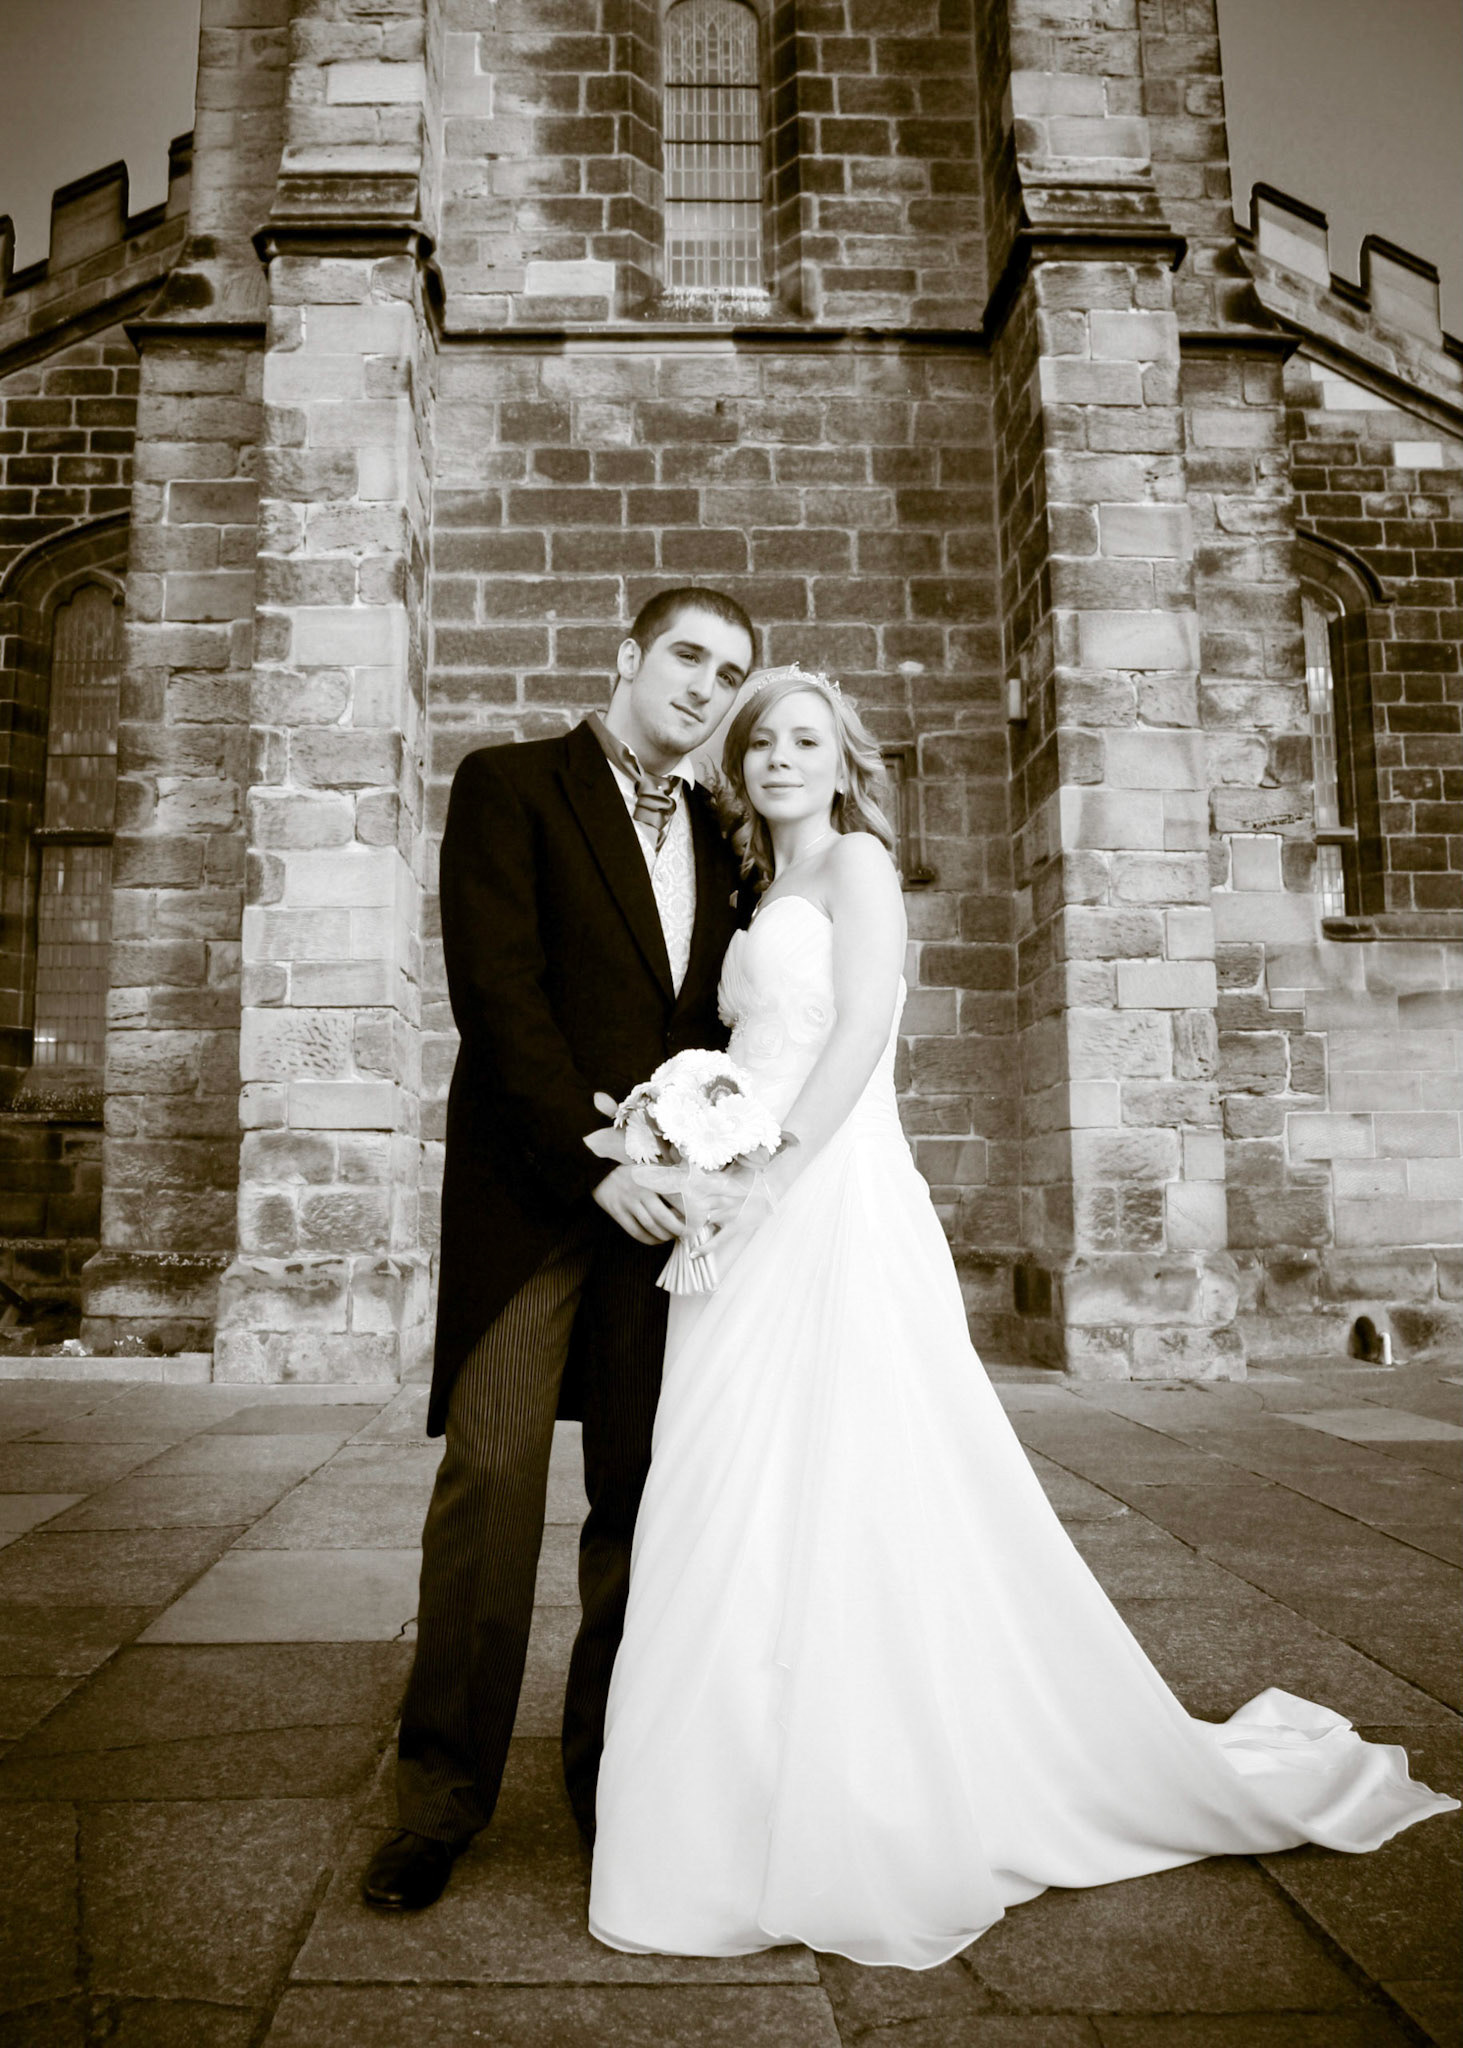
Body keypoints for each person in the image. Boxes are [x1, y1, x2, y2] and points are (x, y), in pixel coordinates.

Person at [587, 662, 1458, 1969]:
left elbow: (859, 1034)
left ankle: (864, 1777)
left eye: (805, 740)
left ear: (845, 761)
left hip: (820, 1195)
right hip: (739, 1206)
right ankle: (739, 1782)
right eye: (761, 741)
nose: (779, 759)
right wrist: (688, 1137)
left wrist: (763, 1181)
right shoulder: (756, 889)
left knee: (848, 1466)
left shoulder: (859, 868)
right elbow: (748, 1052)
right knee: (731, 1473)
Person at [361, 588, 755, 1912]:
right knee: (492, 1481)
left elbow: (719, 1029)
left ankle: (610, 1786)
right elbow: (499, 997)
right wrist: (600, 1165)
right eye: (688, 657)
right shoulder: (511, 785)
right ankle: (440, 1799)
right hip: (533, 1202)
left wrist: (702, 1168)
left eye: (731, 673)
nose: (705, 687)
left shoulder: (726, 834)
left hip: (664, 1226)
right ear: (630, 657)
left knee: (639, 1501)